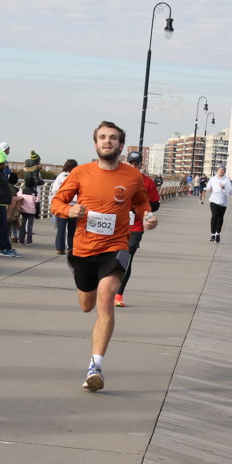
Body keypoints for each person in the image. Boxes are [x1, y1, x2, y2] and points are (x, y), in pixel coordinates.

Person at [50, 121, 156, 391]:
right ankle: (89, 282)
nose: (108, 141)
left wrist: (148, 216)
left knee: (106, 300)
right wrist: (69, 211)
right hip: (83, 249)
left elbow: (141, 201)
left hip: (116, 246)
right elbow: (56, 202)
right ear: (95, 143)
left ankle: (95, 367)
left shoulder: (132, 176)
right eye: (103, 137)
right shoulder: (80, 172)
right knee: (87, 305)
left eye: (113, 137)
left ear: (121, 145)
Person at [115, 151, 161, 307]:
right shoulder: (117, 178)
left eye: (137, 163)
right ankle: (106, 287)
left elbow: (155, 204)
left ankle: (119, 294)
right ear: (126, 163)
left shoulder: (147, 182)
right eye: (131, 163)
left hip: (135, 226)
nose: (134, 166)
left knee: (126, 258)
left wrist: (139, 207)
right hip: (115, 226)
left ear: (141, 165)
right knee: (111, 258)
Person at [51, 159, 78, 255]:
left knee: (61, 228)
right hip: (74, 205)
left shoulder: (60, 177)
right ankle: (71, 248)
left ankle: (60, 248)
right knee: (72, 229)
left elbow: (54, 191)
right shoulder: (77, 177)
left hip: (62, 205)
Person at [207, 166, 232, 242]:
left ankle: (217, 233)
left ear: (224, 171)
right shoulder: (213, 179)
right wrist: (208, 188)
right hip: (213, 201)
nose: (221, 171)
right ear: (217, 170)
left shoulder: (227, 180)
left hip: (222, 203)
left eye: (222, 169)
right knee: (214, 216)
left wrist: (223, 187)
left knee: (220, 218)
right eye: (220, 169)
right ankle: (213, 234)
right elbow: (208, 185)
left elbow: (230, 192)